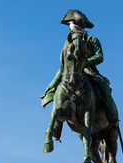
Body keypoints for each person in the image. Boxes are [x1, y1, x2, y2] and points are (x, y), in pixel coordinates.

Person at [41, 10, 118, 141]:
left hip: (88, 71)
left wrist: (85, 62)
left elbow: (100, 57)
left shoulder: (92, 40)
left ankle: (112, 116)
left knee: (102, 86)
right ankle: (56, 127)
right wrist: (52, 85)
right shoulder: (68, 42)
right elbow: (63, 64)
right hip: (69, 71)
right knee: (59, 91)